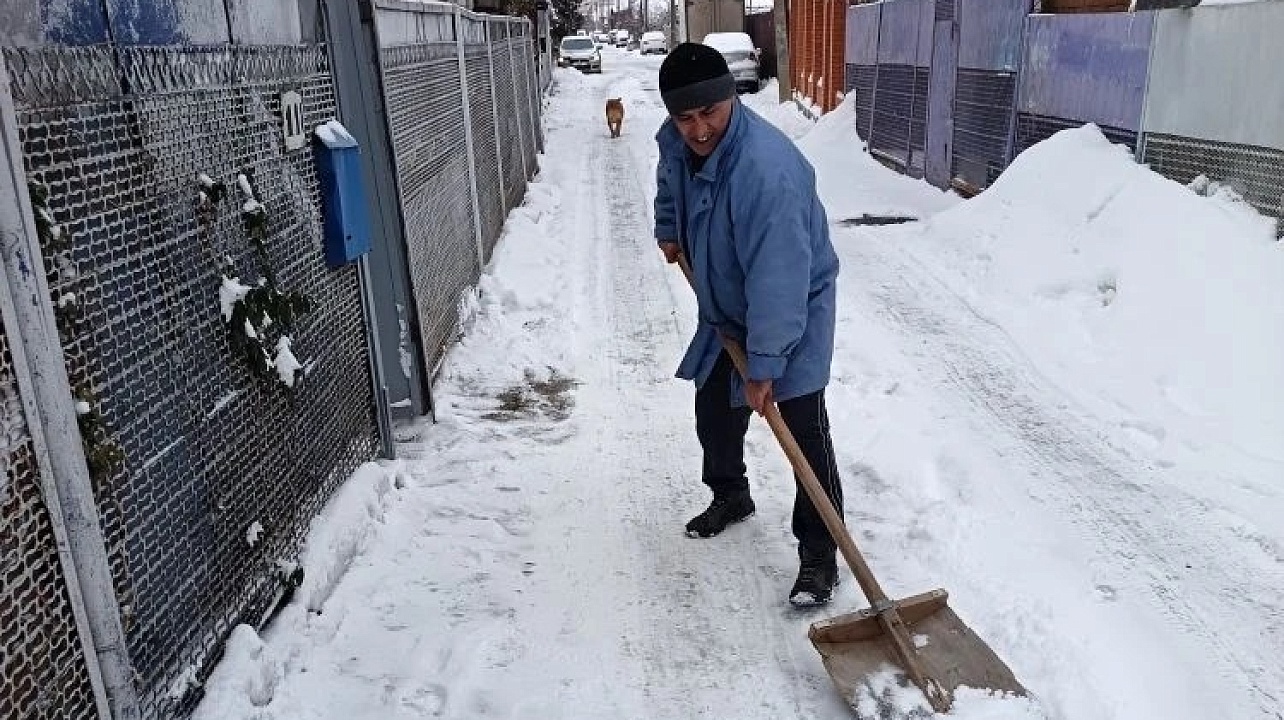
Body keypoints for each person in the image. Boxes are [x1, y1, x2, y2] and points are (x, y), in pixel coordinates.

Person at [652, 43, 846, 607]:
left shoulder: (766, 172)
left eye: (709, 113)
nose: (698, 128)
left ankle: (819, 555)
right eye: (685, 117)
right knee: (715, 410)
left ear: (730, 100)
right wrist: (670, 227)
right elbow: (672, 176)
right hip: (726, 304)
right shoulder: (679, 140)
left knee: (804, 435)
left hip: (792, 310)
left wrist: (765, 366)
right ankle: (731, 493)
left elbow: (779, 281)